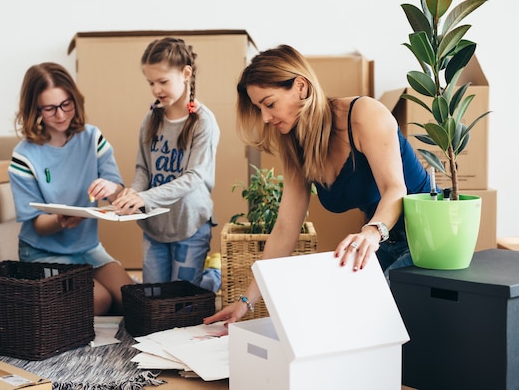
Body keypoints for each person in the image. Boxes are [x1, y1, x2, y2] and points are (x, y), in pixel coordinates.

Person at [204, 44, 434, 327]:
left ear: (301, 86)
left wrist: (372, 233)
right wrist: (246, 302)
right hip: (385, 244)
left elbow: (395, 189)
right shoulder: (296, 146)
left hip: (428, 237)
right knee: (332, 316)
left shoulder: (363, 114)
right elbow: (286, 229)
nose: (265, 117)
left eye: (270, 103)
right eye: (258, 108)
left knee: (373, 321)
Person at [8, 62, 134, 316]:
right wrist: (61, 220)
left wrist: (111, 187)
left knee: (130, 299)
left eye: (67, 104)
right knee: (99, 300)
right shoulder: (24, 156)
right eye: (50, 108)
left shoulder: (92, 137)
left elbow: (119, 190)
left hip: (88, 248)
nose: (62, 114)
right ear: (35, 110)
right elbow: (37, 224)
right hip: (42, 252)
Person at [112, 37, 221, 292]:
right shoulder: (150, 119)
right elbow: (143, 169)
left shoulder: (204, 122)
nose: (156, 90)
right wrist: (134, 192)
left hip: (190, 223)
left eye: (163, 81)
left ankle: (213, 276)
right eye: (151, 83)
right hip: (155, 227)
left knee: (182, 296)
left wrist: (145, 197)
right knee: (154, 296)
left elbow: (194, 177)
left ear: (185, 74)